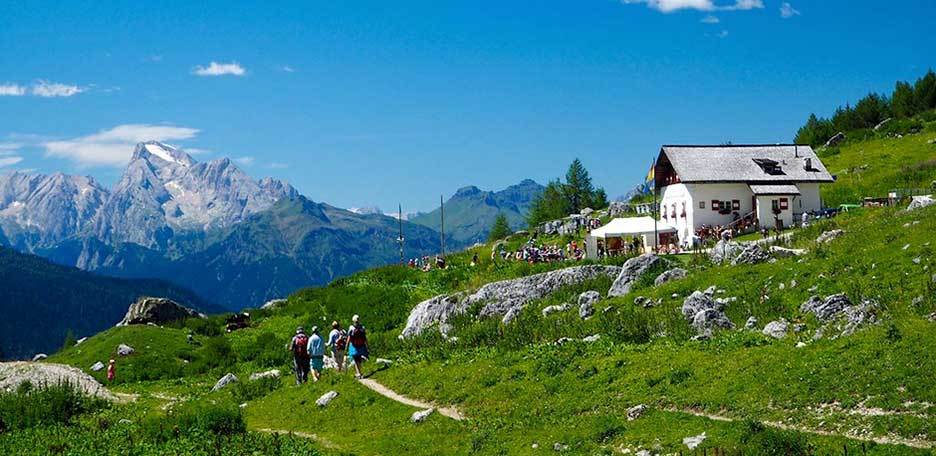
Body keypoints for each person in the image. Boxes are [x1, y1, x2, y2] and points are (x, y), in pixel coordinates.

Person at [346, 315, 369, 379]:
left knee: (356, 360)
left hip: (353, 346)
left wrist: (346, 346)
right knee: (359, 359)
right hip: (361, 346)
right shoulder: (362, 328)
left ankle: (359, 373)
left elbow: (349, 338)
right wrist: (367, 346)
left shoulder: (351, 328)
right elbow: (365, 338)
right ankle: (359, 372)